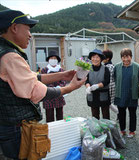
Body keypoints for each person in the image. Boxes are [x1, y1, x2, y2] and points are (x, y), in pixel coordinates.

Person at [0, 9, 86, 160]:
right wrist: (70, 88)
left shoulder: (5, 51)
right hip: (15, 130)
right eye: (27, 29)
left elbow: (32, 77)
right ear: (14, 28)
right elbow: (36, 90)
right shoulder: (10, 56)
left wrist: (62, 75)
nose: (30, 35)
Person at [114, 48, 139, 138]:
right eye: (123, 57)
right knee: (121, 113)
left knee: (132, 113)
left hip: (132, 94)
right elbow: (114, 78)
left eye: (128, 57)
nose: (126, 59)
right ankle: (122, 130)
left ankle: (132, 131)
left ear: (131, 57)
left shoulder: (136, 67)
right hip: (120, 94)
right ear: (121, 58)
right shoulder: (117, 67)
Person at [41, 50, 66, 122]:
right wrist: (52, 88)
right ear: (48, 60)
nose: (53, 60)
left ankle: (60, 130)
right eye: (51, 58)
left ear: (57, 60)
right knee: (49, 117)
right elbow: (43, 81)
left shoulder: (61, 70)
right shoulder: (44, 70)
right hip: (48, 95)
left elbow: (64, 81)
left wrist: (59, 87)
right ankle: (51, 131)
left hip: (59, 94)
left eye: (55, 58)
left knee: (60, 116)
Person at [85, 49, 111, 120]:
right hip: (92, 95)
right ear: (91, 58)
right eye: (93, 57)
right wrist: (88, 87)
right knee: (95, 116)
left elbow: (107, 81)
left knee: (106, 116)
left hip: (103, 95)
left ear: (101, 59)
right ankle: (97, 130)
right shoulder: (88, 69)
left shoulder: (105, 69)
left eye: (97, 57)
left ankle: (106, 130)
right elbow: (86, 80)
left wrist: (97, 86)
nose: (95, 59)